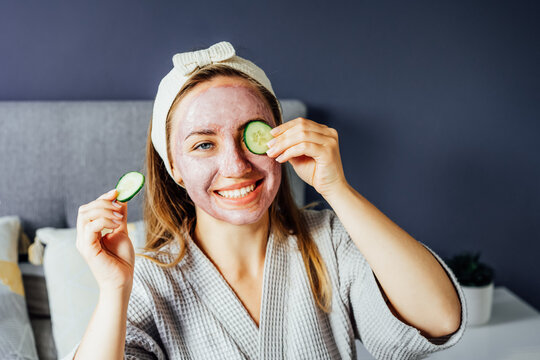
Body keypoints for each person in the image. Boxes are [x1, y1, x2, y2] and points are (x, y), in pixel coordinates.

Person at [68, 41, 466, 359]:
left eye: (250, 135)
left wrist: (337, 189)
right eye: (204, 144)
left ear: (282, 139)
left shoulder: (329, 242)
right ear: (174, 167)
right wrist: (114, 288)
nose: (236, 165)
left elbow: (441, 318)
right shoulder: (149, 282)